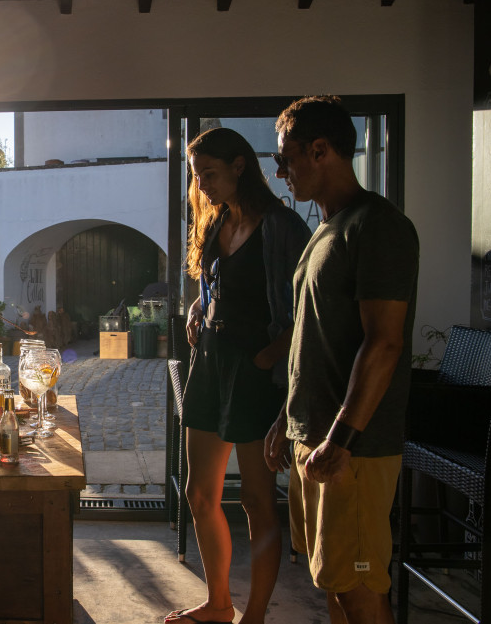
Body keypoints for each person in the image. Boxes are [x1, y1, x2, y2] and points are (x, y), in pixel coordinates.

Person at [263, 96, 419, 624]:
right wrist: (287, 419)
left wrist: (342, 438)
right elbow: (314, 341)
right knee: (331, 579)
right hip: (317, 436)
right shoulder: (326, 229)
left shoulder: (378, 226)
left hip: (354, 448)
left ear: (320, 150)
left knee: (359, 587)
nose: (280, 172)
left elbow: (384, 343)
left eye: (285, 159)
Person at [167, 128, 311, 624]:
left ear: (239, 166)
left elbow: (312, 308)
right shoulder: (216, 221)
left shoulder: (282, 226)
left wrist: (272, 355)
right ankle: (218, 604)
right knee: (199, 494)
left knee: (256, 500)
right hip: (210, 363)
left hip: (254, 373)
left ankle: (255, 616)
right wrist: (197, 309)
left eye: (209, 173)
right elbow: (216, 286)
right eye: (197, 176)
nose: (202, 185)